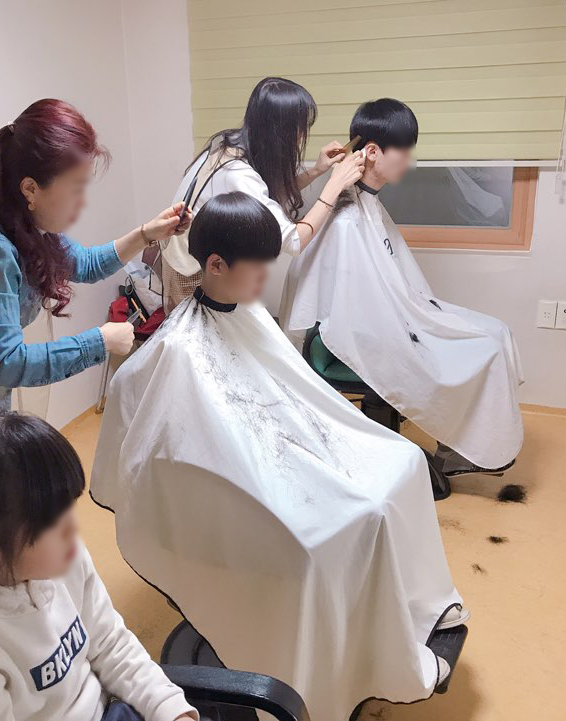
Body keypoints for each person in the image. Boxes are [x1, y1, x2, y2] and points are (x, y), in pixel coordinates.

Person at [92, 192, 466, 721]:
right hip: (239, 479)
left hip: (285, 446)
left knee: (402, 464)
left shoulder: (248, 316)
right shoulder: (178, 349)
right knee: (354, 518)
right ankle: (332, 666)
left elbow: (293, 395)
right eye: (258, 268)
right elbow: (161, 416)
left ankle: (389, 627)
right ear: (215, 265)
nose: (266, 280)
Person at [0, 98, 191, 454]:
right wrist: (100, 342)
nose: (82, 202)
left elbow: (86, 264)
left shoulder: (24, 219)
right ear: (31, 188)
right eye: (75, 189)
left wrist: (147, 233)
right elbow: (8, 363)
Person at [0, 410, 198, 721]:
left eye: (69, 507)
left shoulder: (60, 559)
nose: (72, 528)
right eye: (49, 523)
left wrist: (169, 708)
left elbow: (110, 643)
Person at [280, 99, 524, 474]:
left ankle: (460, 445)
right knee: (484, 347)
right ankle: (464, 450)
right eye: (404, 151)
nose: (409, 162)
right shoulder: (345, 219)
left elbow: (390, 287)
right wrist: (415, 323)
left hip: (391, 318)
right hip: (362, 333)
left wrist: (417, 315)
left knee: (497, 332)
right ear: (372, 152)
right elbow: (352, 309)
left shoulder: (367, 206)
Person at [159, 77, 365, 311]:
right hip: (192, 270)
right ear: (281, 131)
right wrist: (334, 185)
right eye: (300, 128)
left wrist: (316, 171)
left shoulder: (232, 143)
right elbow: (294, 241)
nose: (302, 136)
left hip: (199, 259)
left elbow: (265, 196)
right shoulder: (237, 174)